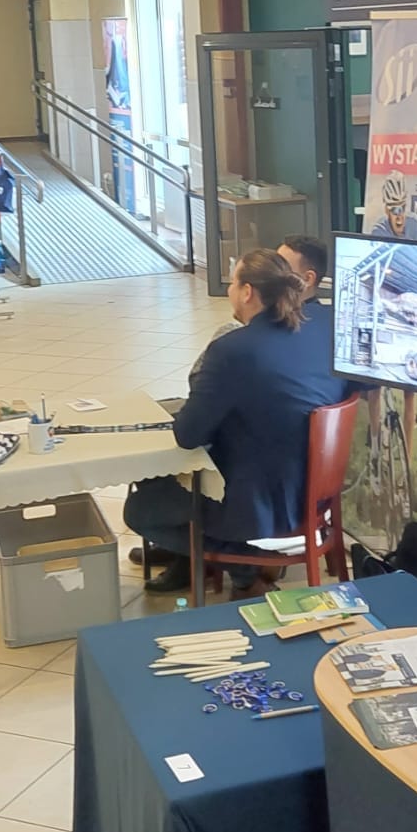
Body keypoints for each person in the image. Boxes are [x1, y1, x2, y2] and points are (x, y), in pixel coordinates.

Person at [124, 248, 353, 595]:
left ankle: (245, 567)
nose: (229, 291)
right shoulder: (325, 326)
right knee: (166, 482)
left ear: (247, 292)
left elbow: (188, 435)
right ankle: (201, 560)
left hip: (257, 500)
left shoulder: (232, 349)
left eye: (232, 283)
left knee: (140, 509)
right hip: (317, 487)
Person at [371, 173, 417, 241]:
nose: (399, 218)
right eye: (395, 210)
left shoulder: (413, 223)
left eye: (402, 208)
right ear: (387, 211)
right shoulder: (379, 231)